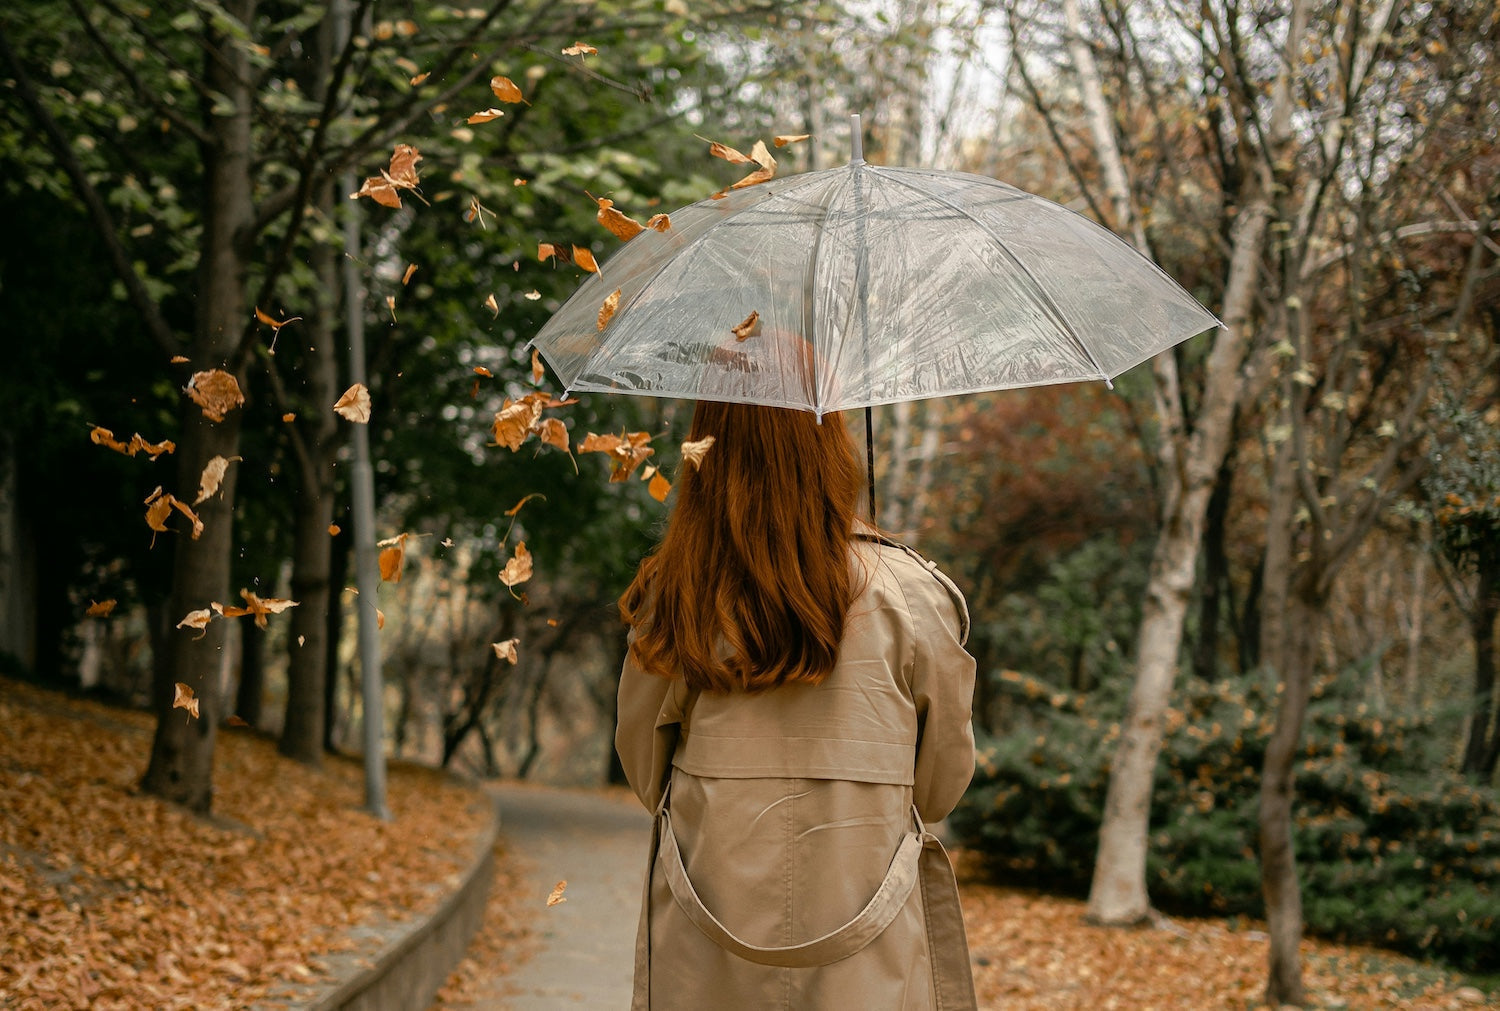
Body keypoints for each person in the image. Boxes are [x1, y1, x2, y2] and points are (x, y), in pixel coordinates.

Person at [615, 400, 978, 1011]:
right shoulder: (914, 594)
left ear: (705, 453)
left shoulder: (676, 594)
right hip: (868, 947)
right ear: (830, 447)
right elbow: (939, 789)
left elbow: (645, 770)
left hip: (707, 936)